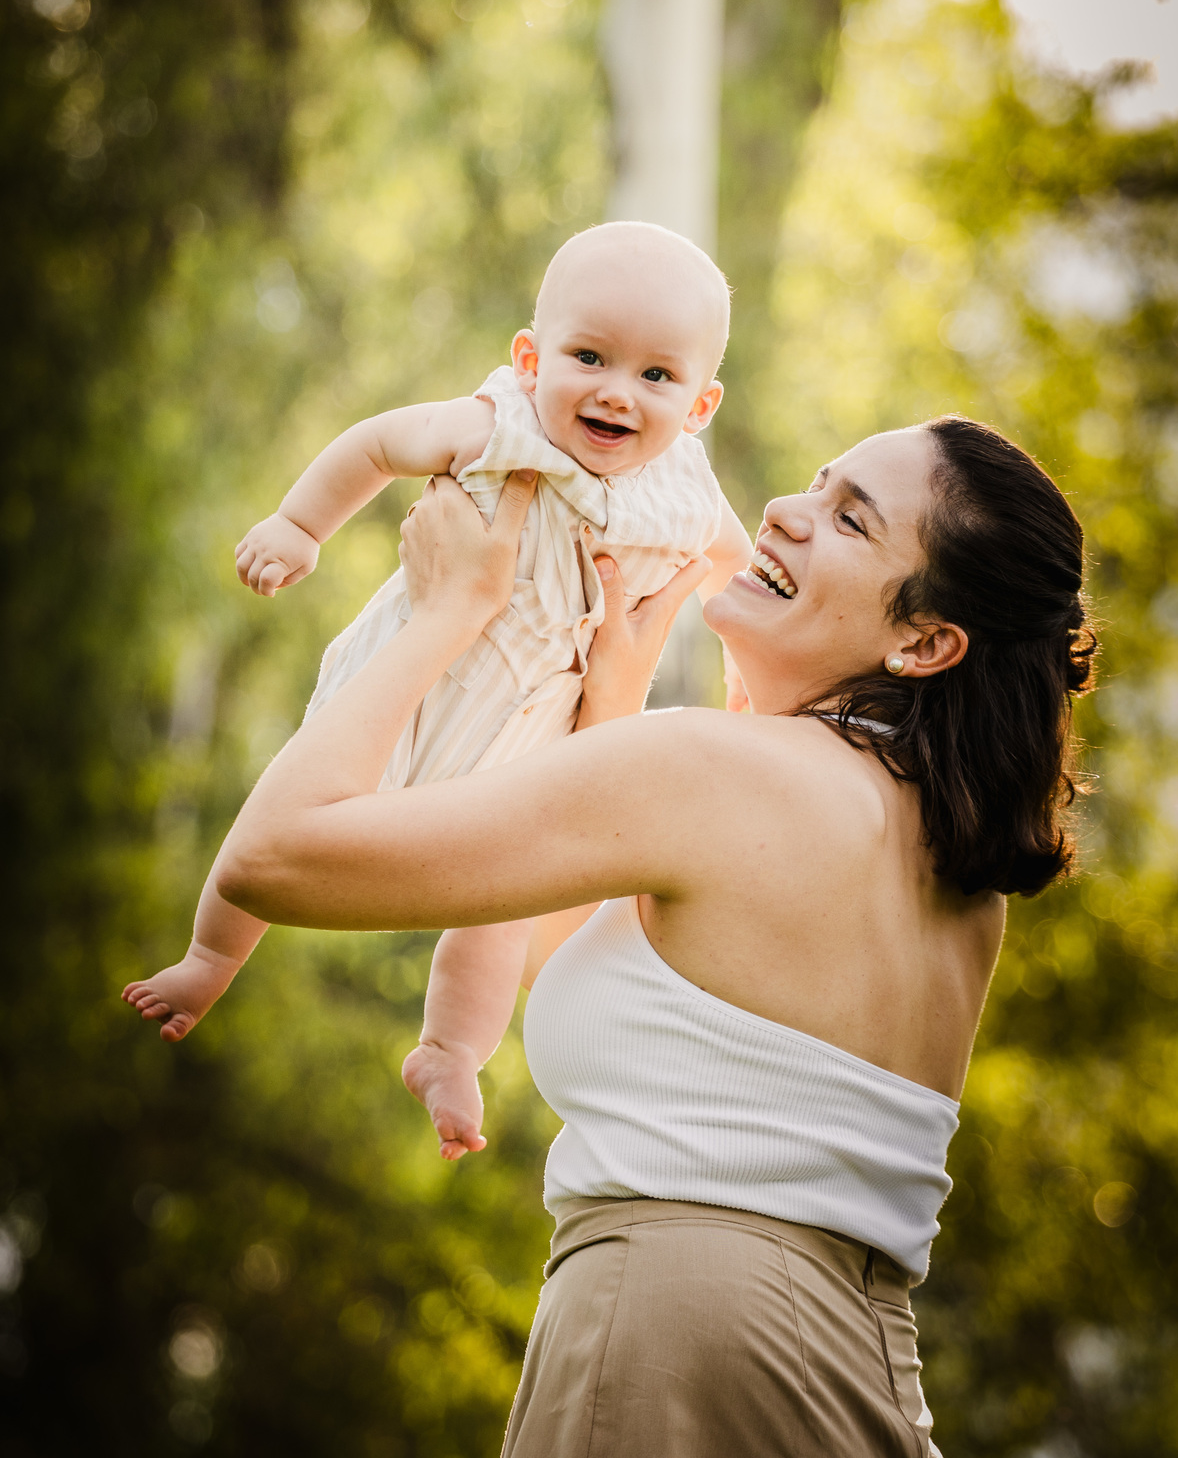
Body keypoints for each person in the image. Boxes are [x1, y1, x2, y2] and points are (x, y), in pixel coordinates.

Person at [211, 414, 1096, 1457]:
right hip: (860, 1366)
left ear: (927, 641)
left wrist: (449, 612)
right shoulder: (957, 866)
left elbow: (272, 859)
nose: (784, 512)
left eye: (851, 521)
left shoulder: (717, 772)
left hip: (676, 1344)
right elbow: (589, 978)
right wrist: (613, 702)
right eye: (817, 483)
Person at [122, 222, 752, 1161]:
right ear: (531, 358)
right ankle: (210, 959)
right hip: (414, 691)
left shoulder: (688, 494)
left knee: (501, 903)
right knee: (293, 812)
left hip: (532, 732)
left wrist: (746, 678)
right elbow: (379, 444)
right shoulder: (498, 424)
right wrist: (300, 526)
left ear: (699, 405)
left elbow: (733, 574)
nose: (618, 391)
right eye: (589, 357)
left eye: (656, 375)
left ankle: (451, 1051)